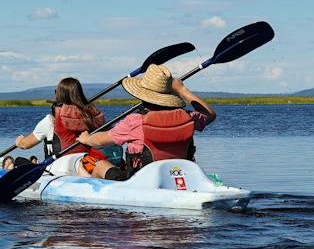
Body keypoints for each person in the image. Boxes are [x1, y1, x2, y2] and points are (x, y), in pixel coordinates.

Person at [77, 64, 215, 173]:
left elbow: (101, 141)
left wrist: (87, 139)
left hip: (142, 180)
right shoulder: (188, 118)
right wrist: (182, 90)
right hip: (181, 176)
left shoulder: (135, 121)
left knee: (99, 165)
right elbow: (210, 115)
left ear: (144, 96)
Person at [13, 77, 123, 179]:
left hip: (58, 166)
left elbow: (25, 144)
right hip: (86, 160)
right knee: (96, 164)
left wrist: (19, 141)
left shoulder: (51, 120)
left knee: (18, 161)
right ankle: (116, 176)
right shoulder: (91, 116)